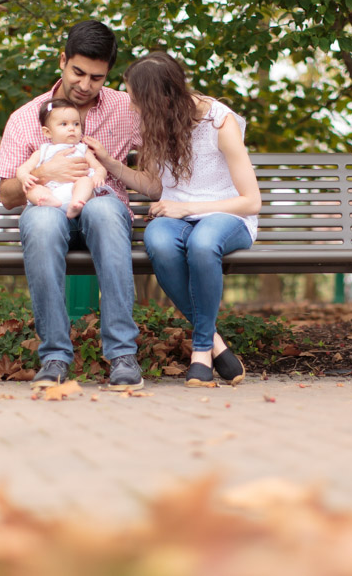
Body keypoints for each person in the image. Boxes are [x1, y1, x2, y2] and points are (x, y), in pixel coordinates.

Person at [86, 51, 261, 387]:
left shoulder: (219, 123)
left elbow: (251, 201)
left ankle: (200, 352)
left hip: (227, 216)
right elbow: (154, 186)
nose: (132, 107)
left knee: (203, 242)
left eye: (136, 100)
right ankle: (216, 344)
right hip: (176, 216)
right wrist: (110, 163)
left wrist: (186, 209)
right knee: (158, 241)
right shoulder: (158, 124)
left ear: (158, 99)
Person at [0, 20, 145, 390]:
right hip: (49, 208)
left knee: (105, 211)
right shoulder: (27, 118)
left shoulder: (127, 109)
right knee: (42, 224)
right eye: (78, 72)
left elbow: (167, 147)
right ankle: (55, 356)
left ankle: (123, 355)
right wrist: (44, 171)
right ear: (62, 60)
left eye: (97, 77)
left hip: (100, 204)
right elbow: (7, 196)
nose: (85, 85)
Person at [16, 98, 108, 218]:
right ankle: (50, 202)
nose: (72, 128)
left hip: (77, 190)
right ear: (47, 132)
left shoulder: (82, 149)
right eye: (64, 124)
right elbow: (23, 169)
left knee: (86, 181)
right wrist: (24, 177)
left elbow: (99, 167)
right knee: (30, 189)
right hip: (51, 192)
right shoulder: (42, 152)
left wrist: (99, 175)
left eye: (76, 124)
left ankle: (75, 204)